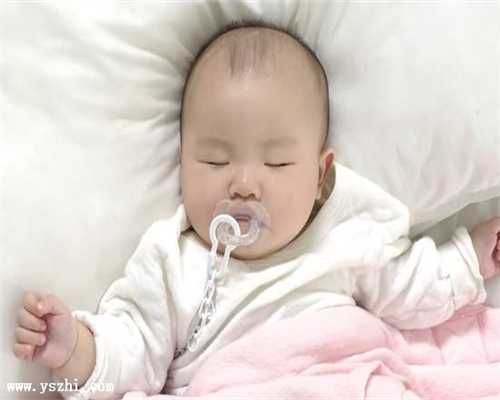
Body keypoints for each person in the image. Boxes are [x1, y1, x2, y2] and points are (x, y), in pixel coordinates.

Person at [13, 20, 500, 399]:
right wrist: (75, 348)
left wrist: (472, 256)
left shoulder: (344, 234)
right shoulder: (171, 262)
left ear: (320, 176)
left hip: (348, 378)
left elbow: (409, 286)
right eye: (215, 160)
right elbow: (132, 352)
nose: (244, 184)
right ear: (183, 164)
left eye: (277, 162)